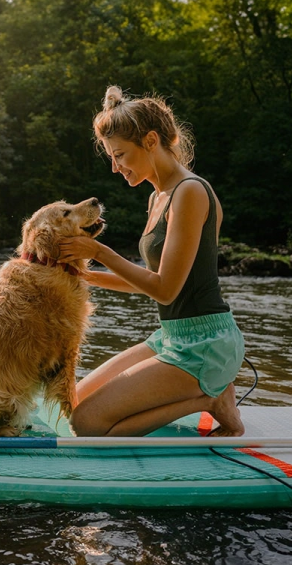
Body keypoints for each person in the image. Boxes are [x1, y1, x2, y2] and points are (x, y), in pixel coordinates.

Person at [58, 86, 245, 437]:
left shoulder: (189, 191)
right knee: (75, 402)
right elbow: (150, 279)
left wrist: (99, 252)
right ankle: (207, 393)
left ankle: (211, 400)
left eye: (120, 155)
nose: (116, 168)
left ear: (150, 140)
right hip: (172, 338)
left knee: (88, 424)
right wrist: (85, 277)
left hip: (205, 346)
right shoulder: (157, 197)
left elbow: (165, 290)